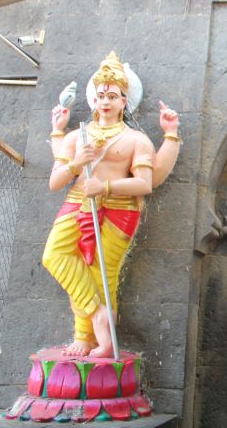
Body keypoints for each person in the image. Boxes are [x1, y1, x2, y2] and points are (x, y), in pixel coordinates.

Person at [43, 52, 180, 358]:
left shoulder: (136, 140)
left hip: (120, 208)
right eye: (101, 95)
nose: (105, 101)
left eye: (113, 96)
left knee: (101, 272)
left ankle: (89, 338)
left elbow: (144, 184)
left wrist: (104, 185)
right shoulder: (77, 137)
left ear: (124, 102)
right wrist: (77, 162)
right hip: (77, 202)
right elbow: (55, 182)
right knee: (54, 255)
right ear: (93, 100)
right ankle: (99, 316)